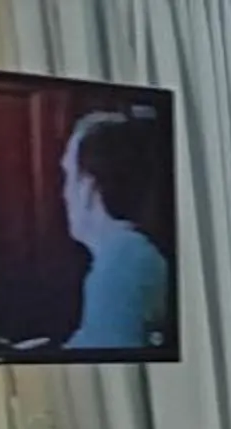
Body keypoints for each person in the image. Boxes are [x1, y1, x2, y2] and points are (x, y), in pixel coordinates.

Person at [61, 109, 169, 353]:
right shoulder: (128, 253)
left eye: (67, 176)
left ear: (88, 187)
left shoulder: (122, 262)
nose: (64, 194)